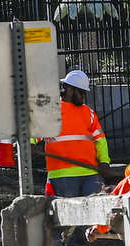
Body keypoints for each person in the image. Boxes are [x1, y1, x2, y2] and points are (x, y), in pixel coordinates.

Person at [42, 64, 107, 192]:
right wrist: (31, 145)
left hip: (90, 172)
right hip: (62, 174)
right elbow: (34, 133)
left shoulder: (88, 112)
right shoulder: (52, 111)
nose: (83, 96)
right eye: (81, 92)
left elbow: (100, 140)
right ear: (69, 89)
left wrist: (104, 162)